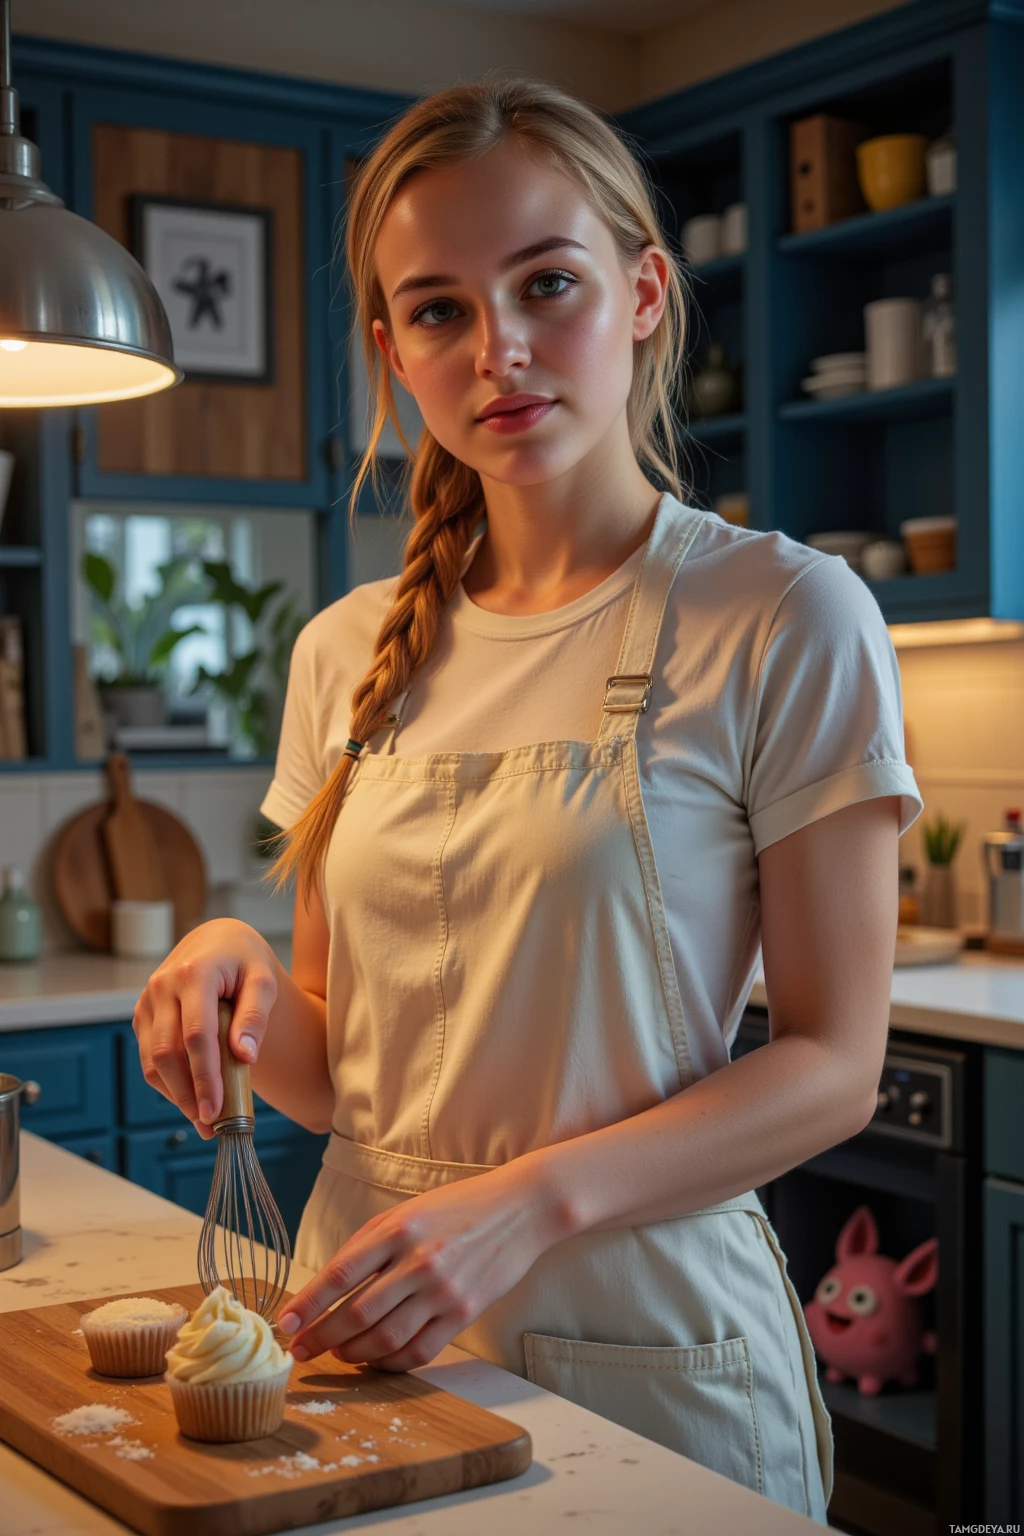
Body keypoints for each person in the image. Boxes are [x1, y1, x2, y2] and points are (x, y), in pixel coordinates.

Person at [132, 73, 924, 1521]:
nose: (497, 349)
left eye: (546, 283)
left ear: (640, 292)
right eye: (436, 309)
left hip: (652, 1348)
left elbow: (832, 1063)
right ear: (390, 349)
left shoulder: (783, 616)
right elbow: (333, 1076)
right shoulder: (346, 652)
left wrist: (525, 1207)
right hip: (355, 1340)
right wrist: (233, 969)